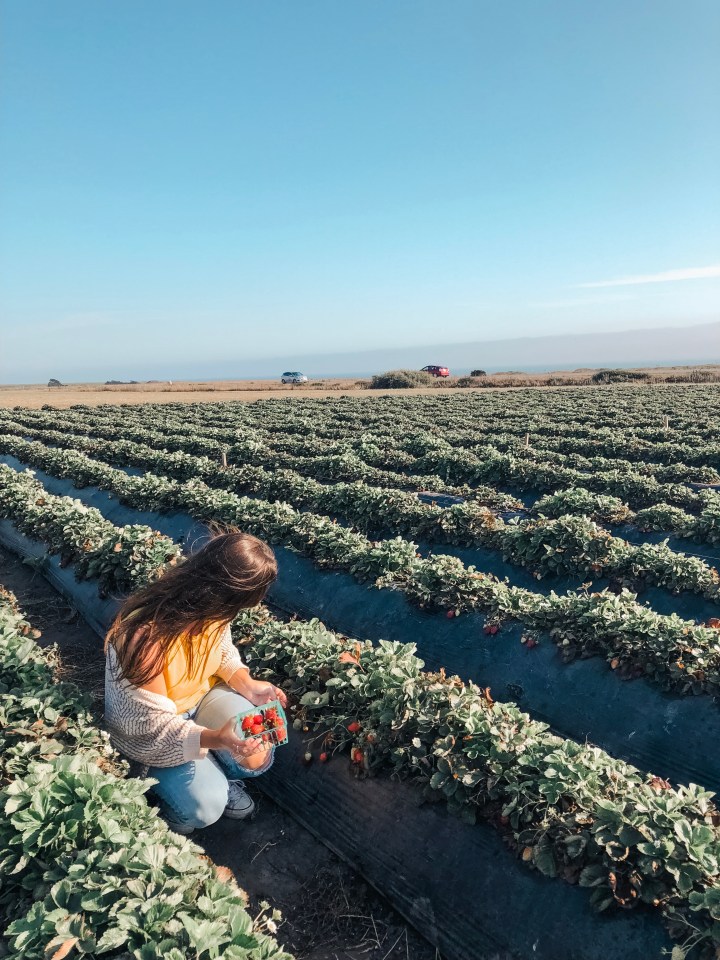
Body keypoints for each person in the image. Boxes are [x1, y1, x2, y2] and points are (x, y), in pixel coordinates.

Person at [104, 529, 285, 835]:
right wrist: (216, 738)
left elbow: (223, 651)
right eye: (239, 605)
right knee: (204, 807)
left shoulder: (212, 610)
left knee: (258, 747)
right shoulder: (146, 637)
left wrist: (248, 684)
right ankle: (157, 810)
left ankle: (215, 770)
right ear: (223, 591)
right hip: (151, 733)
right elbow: (149, 725)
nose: (237, 613)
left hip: (200, 700)